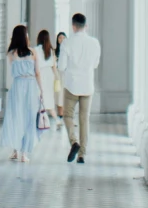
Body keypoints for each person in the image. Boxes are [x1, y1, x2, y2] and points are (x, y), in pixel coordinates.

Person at [57, 10, 101, 164]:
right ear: (85, 26)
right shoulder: (94, 43)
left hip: (71, 85)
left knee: (68, 116)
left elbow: (61, 66)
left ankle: (74, 141)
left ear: (73, 26)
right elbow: (95, 64)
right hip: (87, 85)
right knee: (84, 119)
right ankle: (82, 154)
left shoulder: (66, 43)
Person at [0, 24, 43, 162]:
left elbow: (12, 70)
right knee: (29, 118)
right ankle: (24, 153)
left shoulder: (11, 54)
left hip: (17, 86)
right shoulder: (33, 52)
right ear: (25, 36)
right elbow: (37, 73)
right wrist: (41, 90)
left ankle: (15, 150)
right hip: (30, 85)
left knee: (16, 117)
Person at [34, 28, 58, 135]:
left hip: (41, 74)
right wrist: (57, 77)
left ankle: (38, 120)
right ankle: (56, 119)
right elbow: (54, 66)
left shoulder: (36, 50)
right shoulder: (51, 50)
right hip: (50, 74)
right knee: (49, 97)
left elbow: (36, 66)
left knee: (39, 96)